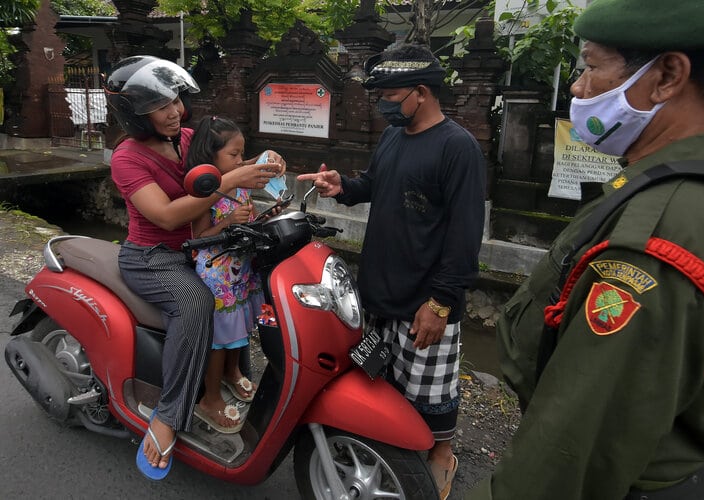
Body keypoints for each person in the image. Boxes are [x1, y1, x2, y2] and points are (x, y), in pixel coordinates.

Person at [468, 1, 704, 499]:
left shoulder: (662, 235)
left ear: (666, 76)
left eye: (593, 67)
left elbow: (569, 451)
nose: (577, 87)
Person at [297, 43, 486, 499]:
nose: (381, 107)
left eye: (389, 96)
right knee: (382, 379)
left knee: (430, 390)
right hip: (380, 285)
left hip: (426, 296)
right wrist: (344, 186)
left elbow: (465, 237)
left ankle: (441, 453)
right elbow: (376, 185)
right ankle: (392, 445)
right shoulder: (393, 138)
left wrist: (440, 303)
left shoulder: (457, 148)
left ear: (421, 92)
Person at [105, 56, 286, 479]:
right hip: (153, 257)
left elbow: (227, 163)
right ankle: (170, 413)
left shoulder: (186, 139)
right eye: (160, 105)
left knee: (246, 287)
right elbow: (167, 216)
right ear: (133, 114)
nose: (174, 111)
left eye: (174, 100)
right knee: (197, 302)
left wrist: (262, 164)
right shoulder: (127, 159)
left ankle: (235, 371)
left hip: (204, 246)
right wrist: (230, 182)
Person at [185, 115, 265, 433]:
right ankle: (211, 397)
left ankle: (233, 374)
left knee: (240, 326)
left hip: (240, 269)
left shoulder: (239, 183)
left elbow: (248, 215)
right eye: (234, 155)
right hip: (217, 274)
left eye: (242, 154)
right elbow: (201, 235)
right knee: (219, 338)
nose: (241, 161)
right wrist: (229, 221)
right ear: (210, 155)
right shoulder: (207, 190)